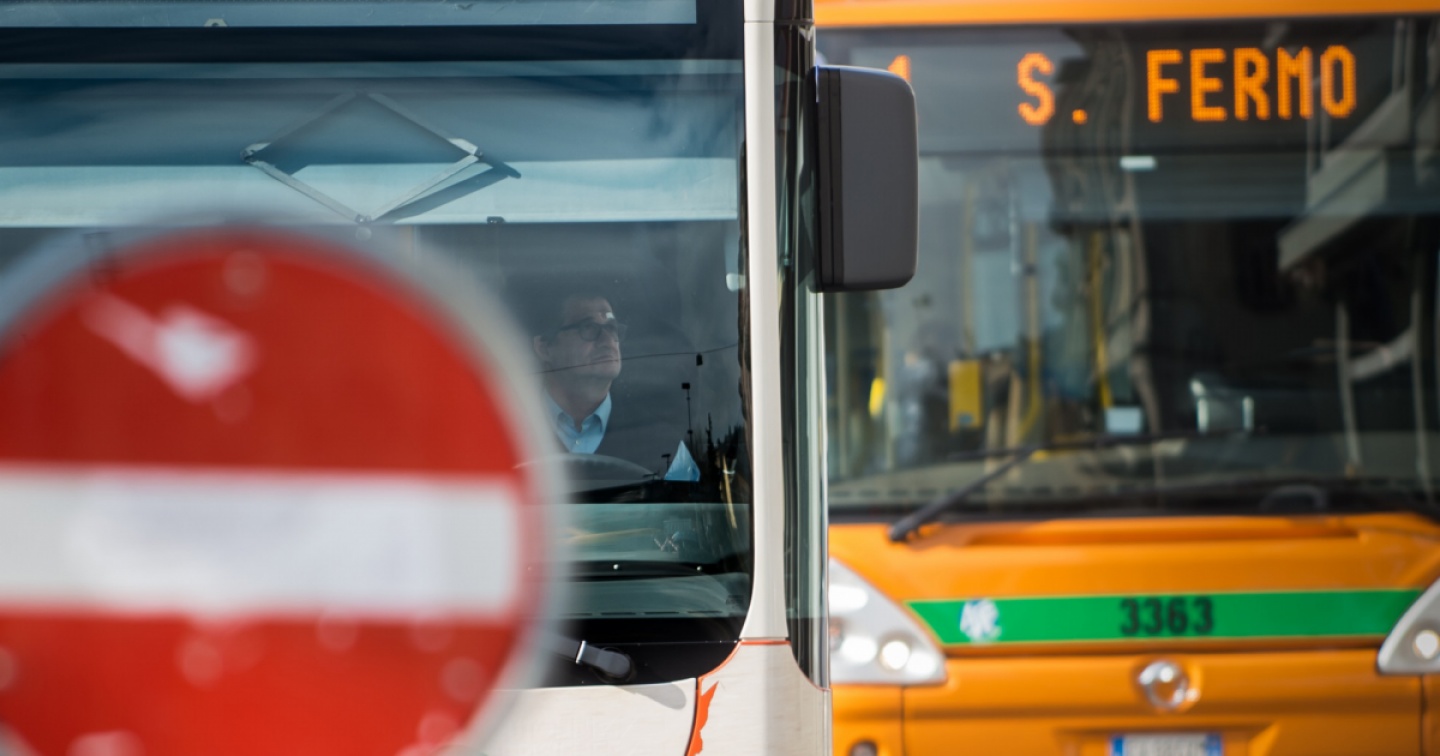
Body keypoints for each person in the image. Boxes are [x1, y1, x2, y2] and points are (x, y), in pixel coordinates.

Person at [531, 290, 699, 481]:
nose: (608, 340)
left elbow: (691, 499)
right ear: (544, 348)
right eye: (588, 328)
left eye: (612, 328)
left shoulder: (661, 440)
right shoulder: (508, 430)